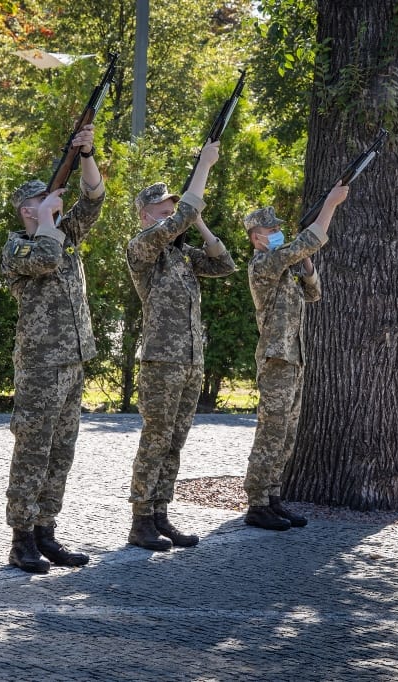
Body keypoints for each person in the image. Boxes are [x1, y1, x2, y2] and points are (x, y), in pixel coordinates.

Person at [0, 125, 104, 573]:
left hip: (73, 360)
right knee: (33, 450)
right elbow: (45, 259)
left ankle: (47, 530)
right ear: (27, 209)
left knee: (62, 450)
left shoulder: (65, 233)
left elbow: (94, 198)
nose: (56, 203)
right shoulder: (18, 247)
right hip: (41, 365)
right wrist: (47, 221)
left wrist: (86, 154)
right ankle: (21, 538)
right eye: (44, 200)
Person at [125, 140, 236, 551]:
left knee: (175, 441)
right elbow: (180, 219)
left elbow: (223, 264)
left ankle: (160, 514)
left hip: (190, 360)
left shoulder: (182, 254)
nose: (171, 212)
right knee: (155, 438)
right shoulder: (143, 248)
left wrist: (201, 224)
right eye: (162, 208)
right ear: (144, 215)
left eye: (172, 205)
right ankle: (140, 521)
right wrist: (204, 167)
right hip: (161, 360)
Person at [241, 185, 349, 531]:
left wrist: (306, 263)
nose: (277, 234)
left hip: (294, 357)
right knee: (271, 431)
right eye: (271, 231)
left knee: (286, 433)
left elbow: (314, 293)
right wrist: (330, 203)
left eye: (278, 230)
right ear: (256, 238)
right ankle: (257, 502)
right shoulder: (263, 265)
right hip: (276, 358)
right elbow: (311, 238)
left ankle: (273, 497)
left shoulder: (284, 269)